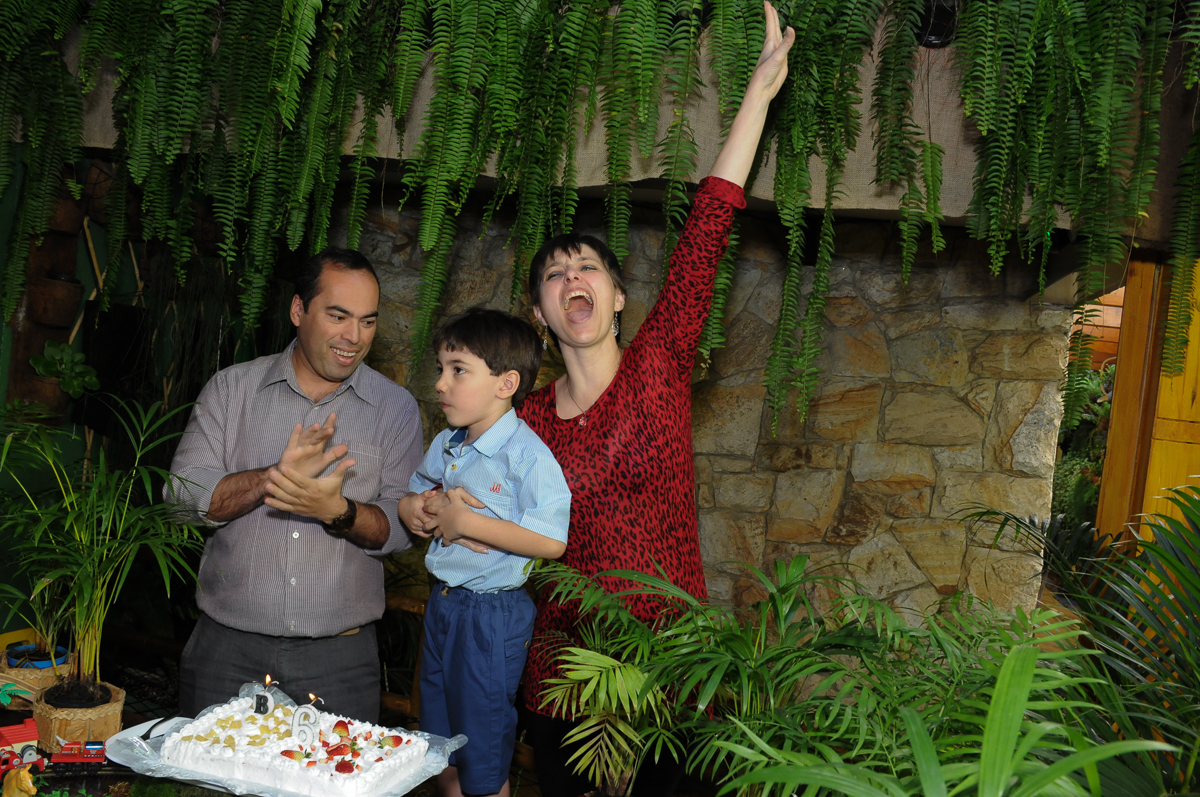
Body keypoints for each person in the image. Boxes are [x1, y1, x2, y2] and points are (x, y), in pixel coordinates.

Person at [423, 4, 795, 795]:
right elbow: (461, 507)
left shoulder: (657, 367)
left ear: (618, 296)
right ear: (539, 314)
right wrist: (430, 509)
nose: (572, 278)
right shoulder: (518, 420)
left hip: (671, 675)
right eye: (554, 275)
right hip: (561, 679)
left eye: (587, 266)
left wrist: (758, 96)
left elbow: (706, 231)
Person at [166, 247, 423, 723]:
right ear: (298, 310)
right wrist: (273, 479)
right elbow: (181, 499)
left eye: (368, 321)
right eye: (338, 316)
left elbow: (403, 528)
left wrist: (338, 511)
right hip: (226, 651)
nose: (354, 337)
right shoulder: (231, 389)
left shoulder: (396, 408)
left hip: (340, 662)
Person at [398, 308, 571, 797]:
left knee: (482, 751)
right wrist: (415, 507)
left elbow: (552, 541)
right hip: (443, 605)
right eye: (440, 368)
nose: (440, 383)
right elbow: (417, 490)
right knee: (441, 741)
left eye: (458, 370)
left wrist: (467, 522)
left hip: (490, 617)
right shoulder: (447, 442)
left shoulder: (527, 455)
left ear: (506, 383)